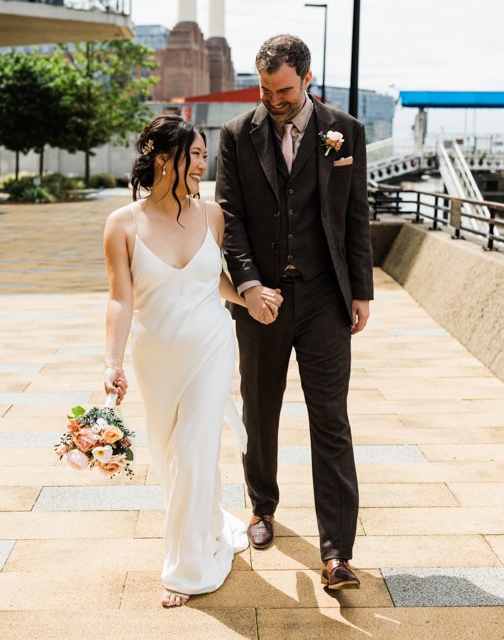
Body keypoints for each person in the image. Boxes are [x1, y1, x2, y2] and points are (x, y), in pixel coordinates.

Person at [102, 115, 282, 607]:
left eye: (205, 155)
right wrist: (111, 364)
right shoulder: (122, 224)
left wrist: (250, 299)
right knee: (169, 457)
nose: (204, 164)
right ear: (163, 158)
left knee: (193, 449)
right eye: (195, 154)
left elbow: (215, 280)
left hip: (210, 346)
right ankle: (201, 528)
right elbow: (121, 299)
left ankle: (186, 572)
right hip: (156, 356)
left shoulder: (213, 215)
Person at [216, 34, 374, 590]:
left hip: (326, 298)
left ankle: (337, 553)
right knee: (259, 409)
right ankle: (262, 507)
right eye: (264, 89)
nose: (273, 99)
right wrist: (249, 285)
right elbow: (229, 219)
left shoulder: (345, 131)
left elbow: (355, 214)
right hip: (262, 299)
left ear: (306, 78)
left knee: (330, 418)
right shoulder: (237, 136)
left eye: (282, 89)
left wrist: (362, 290)